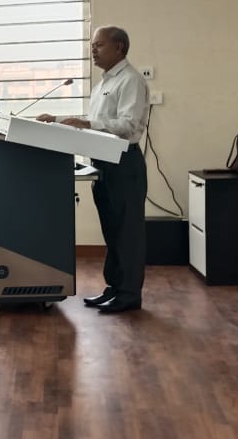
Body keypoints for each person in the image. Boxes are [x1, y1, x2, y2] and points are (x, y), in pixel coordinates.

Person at [37, 26, 149, 314]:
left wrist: (87, 124)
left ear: (120, 47)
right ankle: (114, 288)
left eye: (99, 45)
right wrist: (59, 119)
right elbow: (93, 120)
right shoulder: (103, 84)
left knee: (128, 234)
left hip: (124, 163)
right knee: (112, 233)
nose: (93, 50)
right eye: (92, 45)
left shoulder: (131, 81)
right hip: (102, 162)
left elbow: (129, 126)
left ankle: (129, 295)